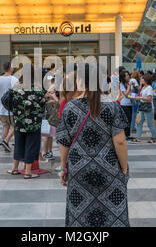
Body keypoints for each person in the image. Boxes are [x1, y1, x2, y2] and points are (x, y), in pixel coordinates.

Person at [57, 63, 130, 227]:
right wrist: (124, 167)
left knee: (79, 213)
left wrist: (63, 167)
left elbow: (64, 142)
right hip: (109, 166)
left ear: (80, 80)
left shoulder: (69, 107)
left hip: (78, 167)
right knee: (113, 212)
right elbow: (120, 141)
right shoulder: (111, 105)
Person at [7, 66, 46, 179]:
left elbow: (11, 103)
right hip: (33, 123)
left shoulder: (16, 87)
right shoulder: (37, 88)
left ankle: (15, 168)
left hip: (19, 121)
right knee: (31, 145)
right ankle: (28, 172)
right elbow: (42, 106)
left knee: (18, 143)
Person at [0, 62, 19, 152]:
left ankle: (5, 144)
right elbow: (18, 92)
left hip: (2, 108)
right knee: (15, 126)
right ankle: (6, 140)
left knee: (6, 126)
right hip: (11, 108)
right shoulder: (13, 79)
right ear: (10, 68)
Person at [133, 73, 156, 143]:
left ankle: (154, 138)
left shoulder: (149, 88)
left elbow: (149, 98)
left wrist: (140, 97)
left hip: (148, 107)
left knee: (150, 123)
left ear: (146, 80)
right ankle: (138, 137)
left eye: (142, 78)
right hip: (142, 106)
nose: (141, 79)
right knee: (139, 122)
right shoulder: (144, 87)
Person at [119, 70, 133, 140]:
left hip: (129, 103)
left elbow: (130, 92)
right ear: (123, 77)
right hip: (124, 104)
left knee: (129, 119)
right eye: (126, 75)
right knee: (127, 119)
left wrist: (131, 86)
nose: (128, 76)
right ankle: (125, 135)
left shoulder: (127, 83)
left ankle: (127, 134)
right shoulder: (121, 84)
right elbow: (126, 94)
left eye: (128, 75)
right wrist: (129, 86)